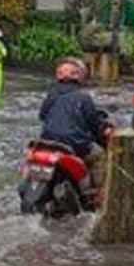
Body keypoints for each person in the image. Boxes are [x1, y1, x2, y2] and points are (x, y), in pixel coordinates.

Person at [38, 57, 111, 189]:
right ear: (79, 76)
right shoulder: (84, 97)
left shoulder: (52, 94)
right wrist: (103, 129)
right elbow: (93, 123)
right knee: (99, 155)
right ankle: (100, 195)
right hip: (75, 144)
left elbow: (42, 116)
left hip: (47, 143)